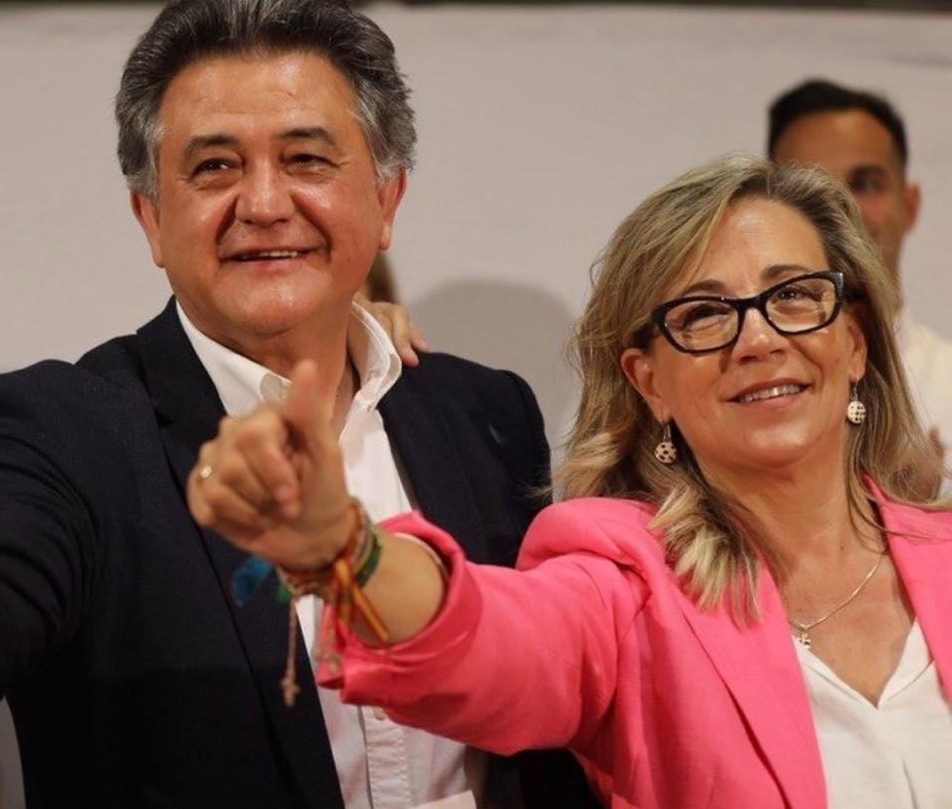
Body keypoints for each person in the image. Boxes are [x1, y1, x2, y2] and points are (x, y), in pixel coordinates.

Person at [0, 0, 594, 809]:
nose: (262, 202)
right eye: (214, 167)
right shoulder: (65, 427)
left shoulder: (483, 414)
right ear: (150, 218)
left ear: (386, 198)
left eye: (305, 159)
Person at [192, 155, 952, 807]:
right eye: (705, 314)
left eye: (793, 296)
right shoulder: (627, 580)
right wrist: (348, 551)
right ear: (649, 382)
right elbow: (489, 644)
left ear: (853, 341)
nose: (757, 338)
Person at [769, 79, 948, 490]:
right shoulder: (726, 384)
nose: (841, 207)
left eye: (865, 184)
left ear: (910, 205)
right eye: (808, 186)